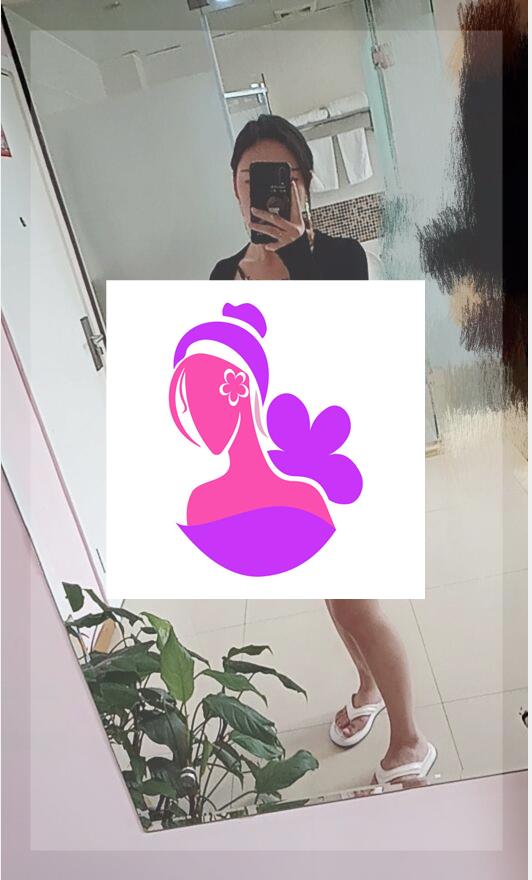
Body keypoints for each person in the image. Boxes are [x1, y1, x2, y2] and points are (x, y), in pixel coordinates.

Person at [210, 114, 369, 281]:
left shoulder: (346, 257)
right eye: (252, 181)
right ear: (235, 188)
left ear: (307, 184)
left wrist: (298, 257)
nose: (271, 199)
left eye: (285, 180)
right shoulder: (223, 274)